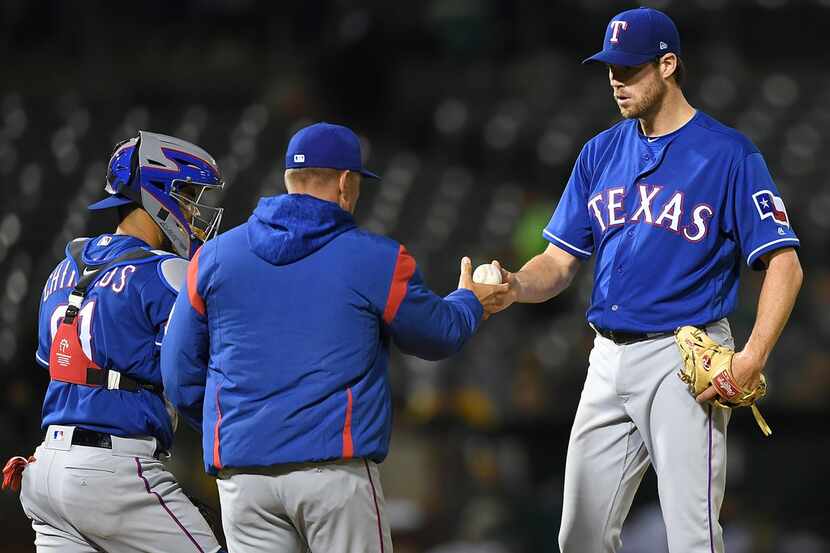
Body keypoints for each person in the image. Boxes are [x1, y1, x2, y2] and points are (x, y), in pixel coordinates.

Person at [488, 8, 803, 553]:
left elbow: (784, 264)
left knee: (692, 536)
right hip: (606, 359)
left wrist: (752, 357)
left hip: (683, 359)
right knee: (579, 536)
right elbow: (558, 262)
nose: (616, 79)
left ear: (668, 65)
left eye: (630, 68)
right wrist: (515, 284)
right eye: (610, 67)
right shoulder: (599, 152)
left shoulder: (728, 153)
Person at [160, 122, 506, 553]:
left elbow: (177, 373)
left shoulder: (212, 257)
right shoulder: (375, 258)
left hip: (242, 478)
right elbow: (435, 336)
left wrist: (236, 426)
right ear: (345, 182)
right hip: (333, 474)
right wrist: (470, 301)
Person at [5, 132, 227, 552]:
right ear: (159, 193)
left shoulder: (63, 266)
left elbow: (54, 364)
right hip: (114, 472)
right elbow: (198, 374)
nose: (195, 211)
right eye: (189, 194)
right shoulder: (168, 272)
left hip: (45, 470)